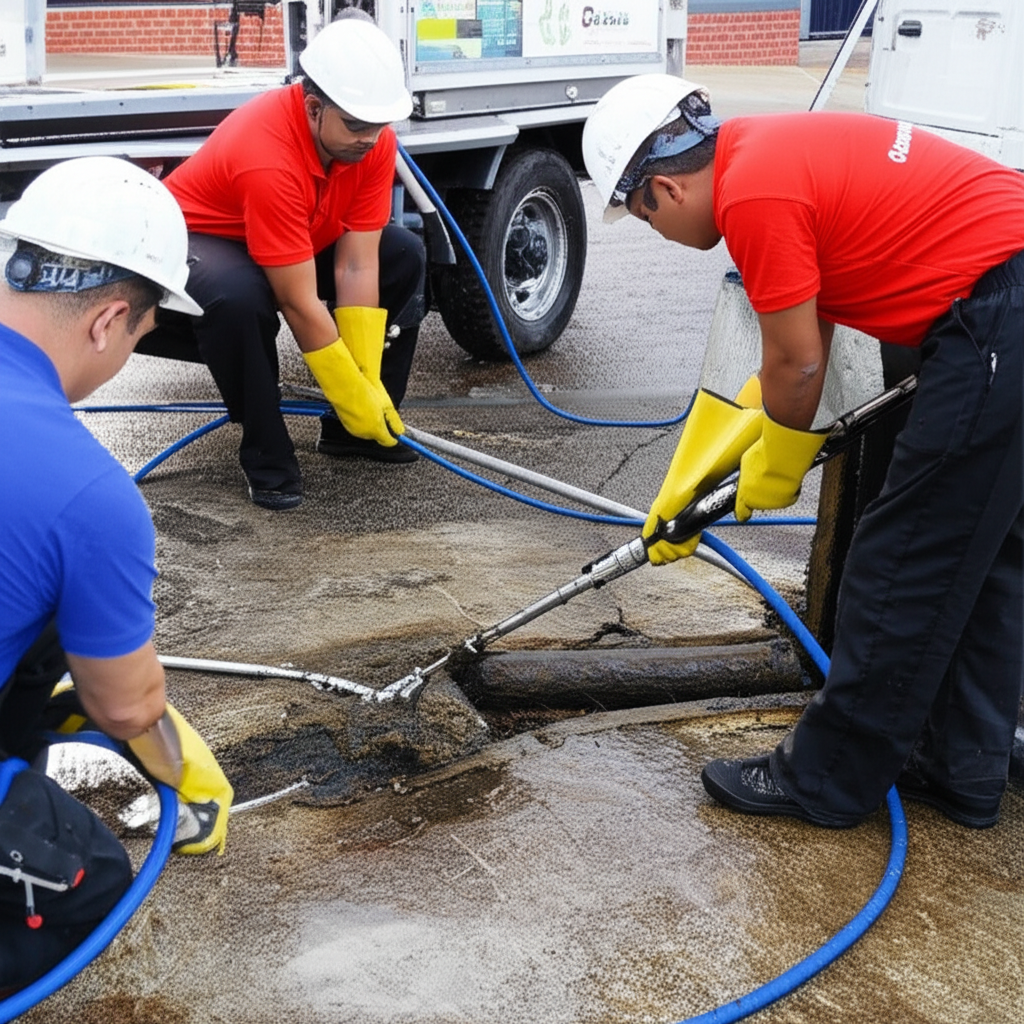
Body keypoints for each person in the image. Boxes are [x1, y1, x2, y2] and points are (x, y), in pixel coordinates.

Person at [582, 74, 1024, 829]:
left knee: (901, 559)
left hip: (998, 315)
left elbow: (798, 366)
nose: (658, 233)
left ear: (664, 189)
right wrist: (713, 468)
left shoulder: (752, 195)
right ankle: (963, 764)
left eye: (644, 217)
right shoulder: (765, 152)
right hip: (1002, 298)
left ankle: (825, 779)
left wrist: (776, 469)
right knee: (980, 559)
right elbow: (799, 341)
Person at [0, 156, 234, 994]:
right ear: (108, 321)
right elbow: (129, 707)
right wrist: (178, 767)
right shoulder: (88, 493)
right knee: (84, 882)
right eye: (140, 338)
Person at [140, 13, 427, 511]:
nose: (369, 137)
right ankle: (266, 452)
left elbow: (357, 265)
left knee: (402, 254)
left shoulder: (373, 143)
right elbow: (298, 302)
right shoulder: (267, 154)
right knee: (239, 296)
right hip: (198, 242)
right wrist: (346, 387)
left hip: (286, 237)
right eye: (356, 125)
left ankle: (354, 432)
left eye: (379, 125)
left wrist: (364, 384)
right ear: (314, 108)